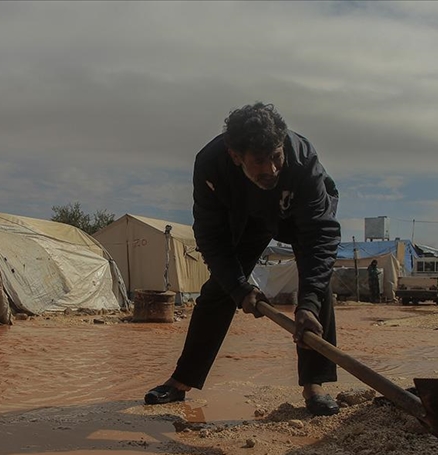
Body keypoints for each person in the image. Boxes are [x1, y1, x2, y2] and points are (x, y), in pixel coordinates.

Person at [144, 102, 341, 416]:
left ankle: (314, 386)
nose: (272, 169)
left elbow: (320, 237)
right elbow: (212, 238)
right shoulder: (210, 166)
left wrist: (309, 305)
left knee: (316, 284)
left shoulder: (303, 161)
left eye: (276, 157)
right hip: (248, 218)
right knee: (219, 290)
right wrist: (239, 288)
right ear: (236, 156)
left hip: (300, 215)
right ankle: (182, 380)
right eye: (260, 162)